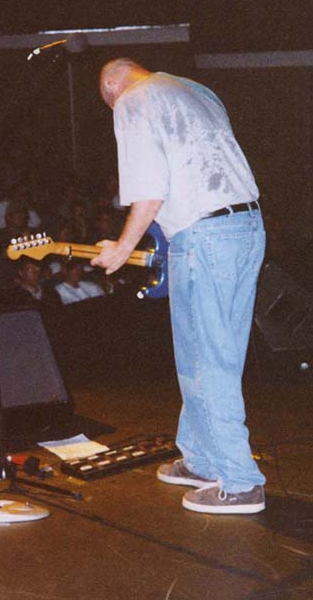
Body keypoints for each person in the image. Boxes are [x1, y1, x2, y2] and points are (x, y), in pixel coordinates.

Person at [92, 58, 266, 515]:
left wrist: (121, 246)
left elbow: (151, 189)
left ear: (112, 87)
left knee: (207, 358)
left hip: (204, 235)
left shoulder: (131, 100)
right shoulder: (196, 90)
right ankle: (202, 458)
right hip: (246, 226)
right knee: (207, 352)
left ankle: (240, 480)